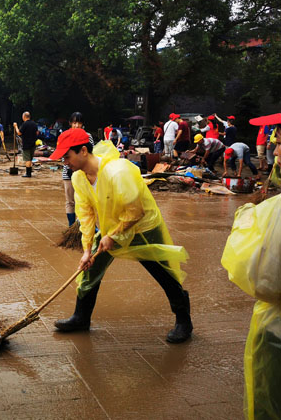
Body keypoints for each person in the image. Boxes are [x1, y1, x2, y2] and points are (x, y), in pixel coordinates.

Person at [50, 128, 192, 343]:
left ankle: (183, 321)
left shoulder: (118, 171)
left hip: (142, 228)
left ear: (83, 151)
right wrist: (87, 249)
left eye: (67, 157)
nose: (65, 162)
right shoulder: (79, 178)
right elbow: (86, 215)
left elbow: (135, 212)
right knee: (90, 268)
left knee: (162, 273)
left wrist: (113, 236)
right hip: (111, 228)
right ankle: (81, 317)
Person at [221, 129, 281, 419]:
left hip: (275, 327)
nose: (276, 153)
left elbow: (258, 277)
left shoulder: (274, 213)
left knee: (268, 396)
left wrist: (249, 216)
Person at [62, 112, 94, 226]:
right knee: (70, 201)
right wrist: (69, 168)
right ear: (70, 123)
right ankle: (71, 226)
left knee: (85, 200)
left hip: (84, 173)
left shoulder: (87, 136)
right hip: (68, 173)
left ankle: (84, 224)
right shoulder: (65, 136)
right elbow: (62, 154)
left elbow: (91, 154)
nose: (76, 125)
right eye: (74, 123)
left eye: (79, 123)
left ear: (82, 124)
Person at [13, 112, 38, 177]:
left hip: (26, 144)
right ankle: (29, 172)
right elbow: (37, 133)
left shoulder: (25, 124)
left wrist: (16, 126)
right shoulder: (34, 124)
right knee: (30, 159)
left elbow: (19, 133)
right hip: (33, 144)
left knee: (27, 159)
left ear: (24, 117)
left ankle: (28, 173)